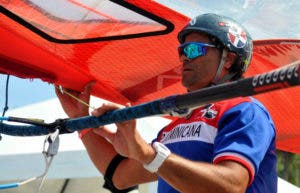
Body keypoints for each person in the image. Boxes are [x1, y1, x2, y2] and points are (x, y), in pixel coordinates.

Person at [56, 13, 277, 193]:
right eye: (182, 51)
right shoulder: (172, 130)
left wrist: (147, 153)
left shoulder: (246, 110)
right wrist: (80, 121)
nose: (184, 58)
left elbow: (231, 185)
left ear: (228, 59)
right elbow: (119, 177)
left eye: (193, 49)